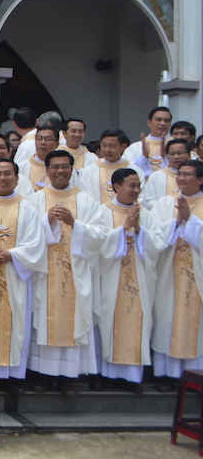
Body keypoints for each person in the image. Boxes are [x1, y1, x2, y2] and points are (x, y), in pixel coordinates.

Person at [28, 150, 108, 395]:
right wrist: (47, 221)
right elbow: (26, 235)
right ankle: (42, 375)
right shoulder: (34, 200)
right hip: (45, 274)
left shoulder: (86, 201)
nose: (60, 171)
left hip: (76, 275)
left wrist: (75, 224)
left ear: (73, 169)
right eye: (55, 167)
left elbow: (102, 235)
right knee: (42, 320)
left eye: (65, 166)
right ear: (47, 170)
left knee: (74, 322)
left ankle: (67, 378)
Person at [0, 158, 45, 388]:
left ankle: (9, 375)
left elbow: (36, 243)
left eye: (7, 174)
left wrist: (12, 255)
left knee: (15, 322)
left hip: (13, 274)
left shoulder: (28, 207)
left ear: (17, 178)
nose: (2, 178)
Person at [93, 168, 162, 394]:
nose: (136, 190)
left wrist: (139, 228)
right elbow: (97, 246)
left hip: (139, 279)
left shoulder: (146, 214)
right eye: (131, 185)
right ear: (116, 187)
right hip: (110, 278)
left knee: (136, 321)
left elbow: (158, 246)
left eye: (138, 185)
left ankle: (131, 377)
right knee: (106, 321)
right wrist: (123, 228)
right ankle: (102, 374)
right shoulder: (102, 212)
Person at [148, 159, 203, 391]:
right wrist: (177, 221)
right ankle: (165, 374)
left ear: (200, 179)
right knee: (166, 318)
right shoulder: (164, 203)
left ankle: (195, 377)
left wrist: (192, 220)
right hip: (168, 274)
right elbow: (154, 234)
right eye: (179, 174)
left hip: (197, 275)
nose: (181, 178)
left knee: (196, 324)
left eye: (187, 174)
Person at [79, 129, 143, 205]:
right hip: (97, 215)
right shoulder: (90, 171)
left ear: (123, 147)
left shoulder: (135, 171)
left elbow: (140, 198)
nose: (107, 150)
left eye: (112, 146)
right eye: (104, 145)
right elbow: (86, 198)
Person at [141, 138, 192, 210]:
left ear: (189, 155)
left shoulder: (197, 175)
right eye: (172, 154)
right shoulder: (156, 176)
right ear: (167, 156)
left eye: (180, 153)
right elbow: (149, 201)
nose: (176, 157)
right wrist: (167, 209)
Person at [124, 106, 173, 174]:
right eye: (158, 120)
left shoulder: (176, 145)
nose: (162, 123)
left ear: (170, 124)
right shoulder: (135, 147)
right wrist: (143, 156)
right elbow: (126, 172)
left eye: (166, 121)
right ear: (149, 122)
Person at [17, 126, 64, 192]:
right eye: (39, 138)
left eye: (48, 139)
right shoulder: (22, 167)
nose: (43, 142)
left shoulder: (64, 168)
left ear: (57, 144)